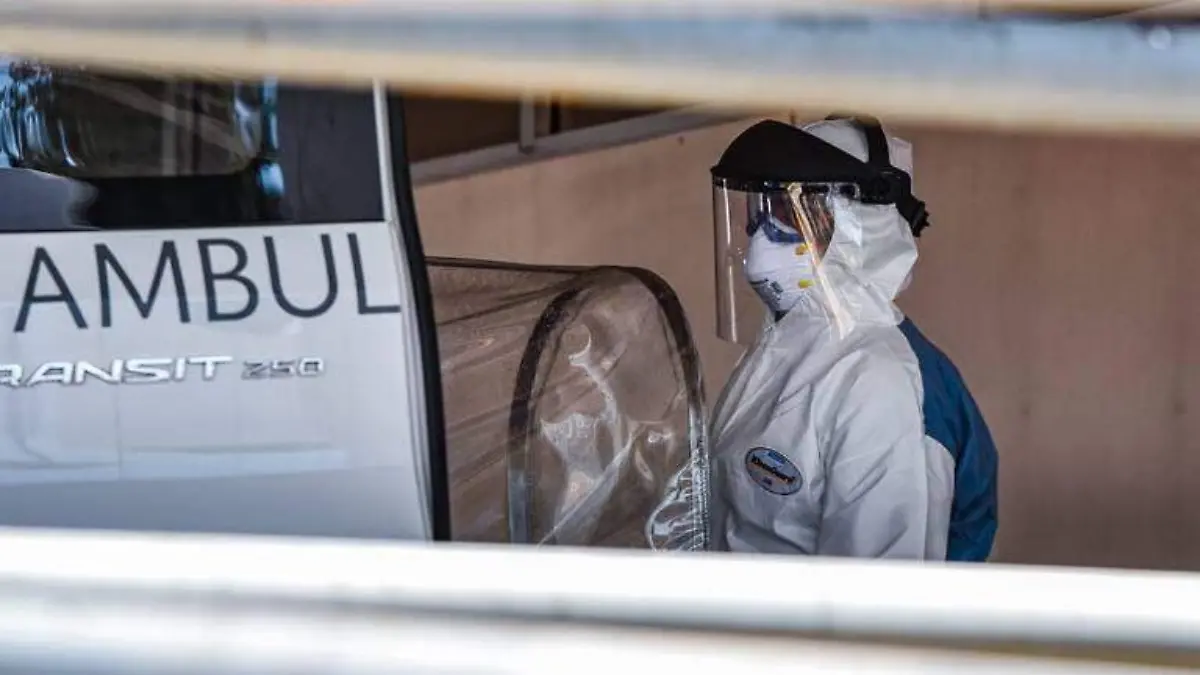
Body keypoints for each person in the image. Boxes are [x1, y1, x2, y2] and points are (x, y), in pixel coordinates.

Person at [707, 115, 997, 560]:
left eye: (791, 214)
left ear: (859, 225)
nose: (762, 234)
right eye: (765, 210)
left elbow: (875, 593)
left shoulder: (878, 386)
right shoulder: (787, 346)